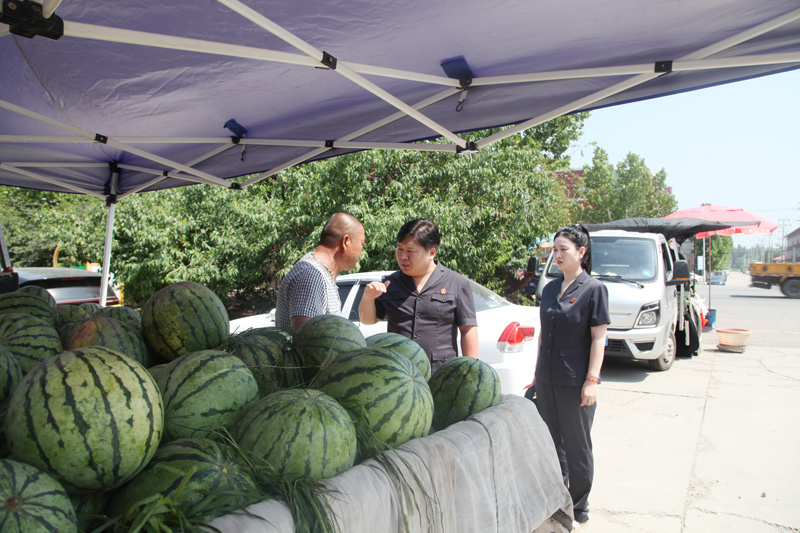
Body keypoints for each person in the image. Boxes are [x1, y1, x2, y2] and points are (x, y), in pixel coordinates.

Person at [530, 224, 609, 532]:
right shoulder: (550, 288)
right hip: (547, 378)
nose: (558, 255)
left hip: (575, 381)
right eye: (555, 249)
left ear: (581, 253)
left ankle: (579, 506)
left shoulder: (593, 289)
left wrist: (592, 379)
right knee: (551, 443)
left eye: (564, 249)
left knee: (577, 446)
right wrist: (536, 375)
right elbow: (543, 335)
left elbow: (599, 338)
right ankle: (558, 497)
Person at [358, 218, 478, 372]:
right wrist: (368, 298)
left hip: (440, 373)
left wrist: (471, 368)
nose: (403, 257)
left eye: (410, 251)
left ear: (431, 253)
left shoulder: (456, 283)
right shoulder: (390, 283)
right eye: (399, 249)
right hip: (399, 371)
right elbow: (367, 320)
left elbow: (468, 328)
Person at [275, 212, 365, 329]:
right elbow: (307, 339)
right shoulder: (311, 275)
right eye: (362, 244)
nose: (361, 251)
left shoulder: (319, 272)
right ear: (345, 242)